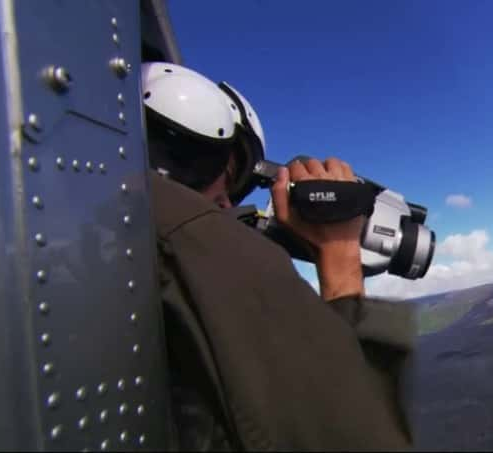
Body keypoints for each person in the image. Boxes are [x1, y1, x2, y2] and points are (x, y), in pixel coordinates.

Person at [141, 62, 416, 451]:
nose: (226, 203)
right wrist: (339, 255)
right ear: (180, 156)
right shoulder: (199, 246)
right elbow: (355, 436)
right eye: (225, 176)